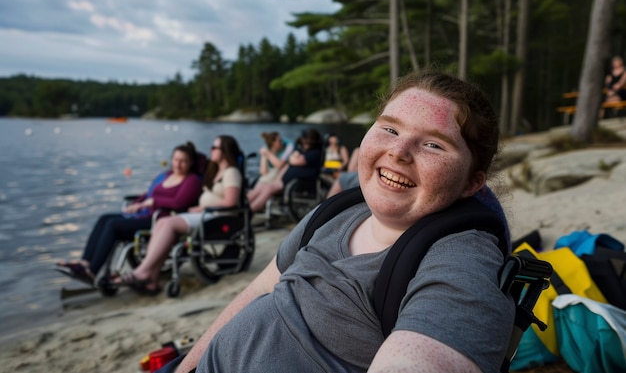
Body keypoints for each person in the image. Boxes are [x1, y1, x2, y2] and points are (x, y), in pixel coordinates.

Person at [166, 71, 513, 373]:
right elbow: (257, 291)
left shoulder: (462, 258)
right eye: (390, 128)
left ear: (471, 182)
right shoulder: (336, 212)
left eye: (435, 144)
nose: (399, 151)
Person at [56, 142, 203, 285]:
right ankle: (85, 263)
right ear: (172, 159)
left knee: (113, 225)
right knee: (104, 218)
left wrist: (153, 202)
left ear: (190, 163)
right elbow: (148, 195)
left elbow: (178, 203)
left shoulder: (192, 181)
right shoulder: (166, 175)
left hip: (159, 218)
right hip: (144, 213)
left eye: (184, 161)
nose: (178, 164)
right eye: (176, 160)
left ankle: (92, 271)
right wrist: (136, 203)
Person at [113, 135, 243, 295]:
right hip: (205, 214)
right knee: (163, 222)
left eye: (214, 147)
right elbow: (200, 161)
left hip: (218, 216)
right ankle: (152, 278)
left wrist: (202, 207)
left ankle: (143, 271)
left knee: (168, 224)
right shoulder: (215, 171)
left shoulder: (231, 172)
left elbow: (231, 202)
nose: (211, 150)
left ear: (225, 151)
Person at [246, 128, 323, 213]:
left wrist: (292, 157)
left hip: (298, 183)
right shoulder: (303, 151)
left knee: (268, 188)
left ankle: (250, 211)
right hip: (285, 181)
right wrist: (278, 179)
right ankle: (244, 206)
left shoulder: (315, 153)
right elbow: (289, 163)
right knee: (263, 186)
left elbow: (294, 161)